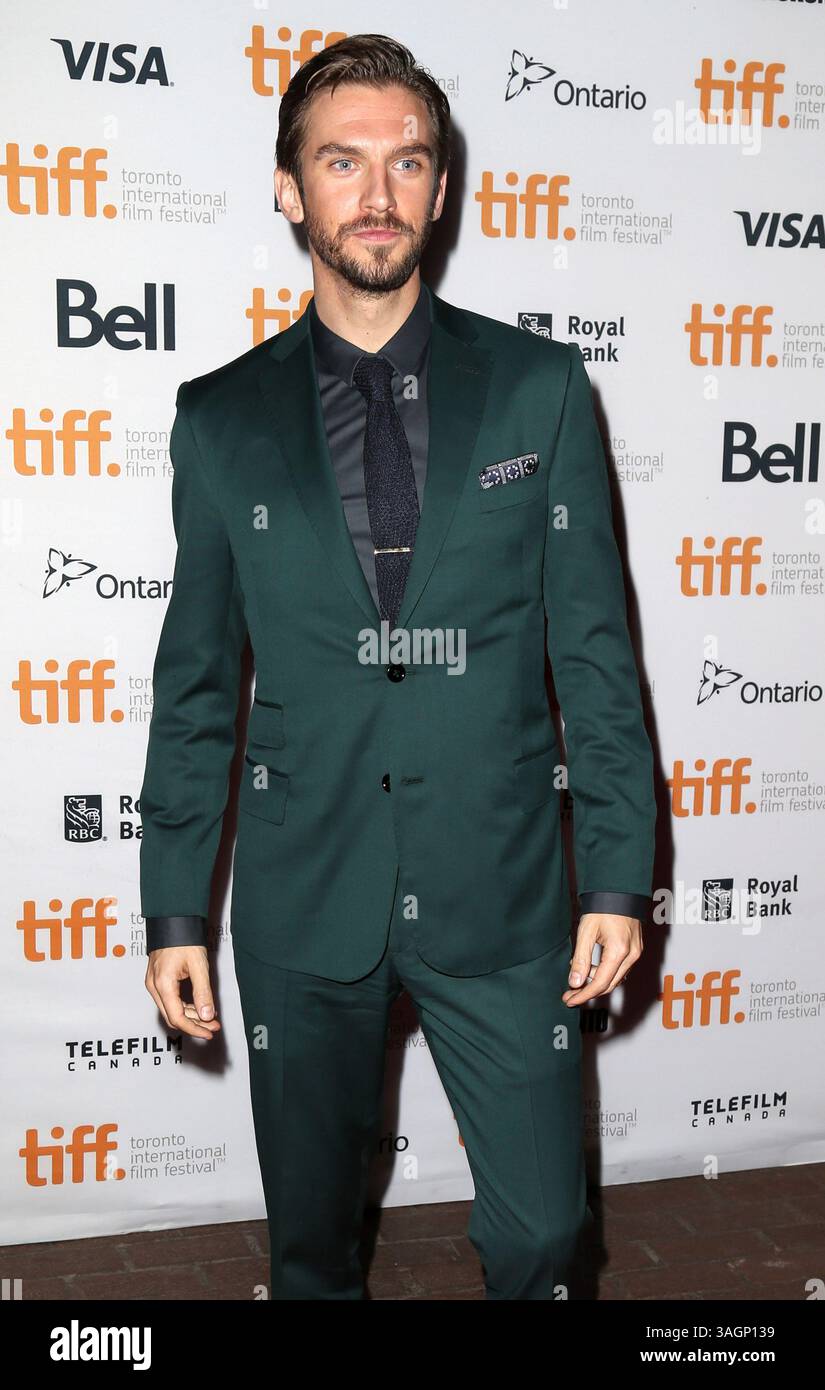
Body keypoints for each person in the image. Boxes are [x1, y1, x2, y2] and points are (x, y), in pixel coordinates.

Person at [139, 33, 656, 1300]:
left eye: (406, 161)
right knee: (313, 1257)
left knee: (544, 1236)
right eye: (341, 161)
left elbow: (596, 651)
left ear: (441, 185)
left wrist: (617, 877)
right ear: (288, 187)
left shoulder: (539, 387)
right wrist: (174, 908)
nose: (377, 193)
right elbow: (197, 682)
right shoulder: (220, 417)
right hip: (304, 896)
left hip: (504, 889)